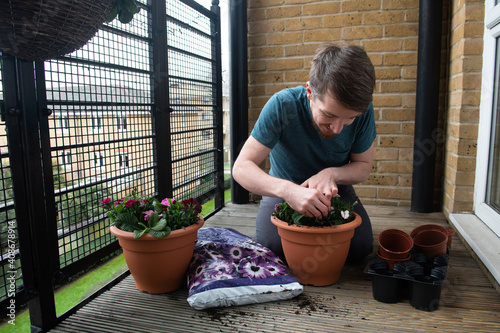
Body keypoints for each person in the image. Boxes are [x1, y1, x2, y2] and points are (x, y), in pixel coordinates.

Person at [232, 44, 376, 263]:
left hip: (335, 189)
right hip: (283, 189)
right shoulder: (282, 105)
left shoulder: (363, 111)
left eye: (350, 119)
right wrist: (288, 190)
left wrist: (331, 174)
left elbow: (363, 165)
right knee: (272, 249)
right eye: (329, 115)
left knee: (360, 248)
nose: (338, 129)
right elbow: (241, 167)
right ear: (310, 92)